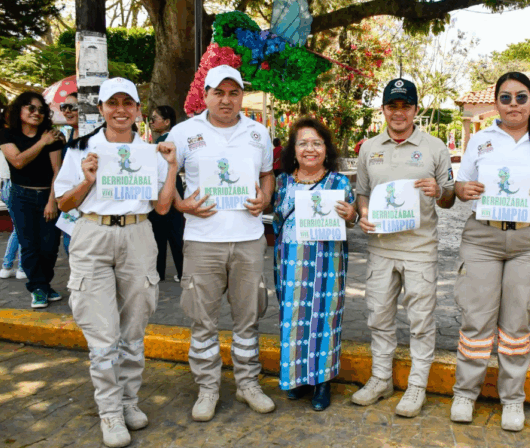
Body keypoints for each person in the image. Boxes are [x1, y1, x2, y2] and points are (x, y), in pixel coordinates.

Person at [54, 77, 179, 448]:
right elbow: (63, 203)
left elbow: (162, 207)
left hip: (138, 235)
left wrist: (172, 167)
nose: (121, 110)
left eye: (128, 103)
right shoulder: (81, 148)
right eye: (113, 103)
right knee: (103, 333)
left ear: (138, 110)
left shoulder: (150, 153)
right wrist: (87, 181)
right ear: (102, 109)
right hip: (93, 235)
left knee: (133, 328)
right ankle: (109, 411)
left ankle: (128, 401)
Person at [450, 72, 530, 431]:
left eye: (521, 97)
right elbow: (461, 184)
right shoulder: (481, 140)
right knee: (476, 320)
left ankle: (512, 399)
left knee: (516, 324)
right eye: (505, 98)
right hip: (483, 238)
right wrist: (464, 190)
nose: (513, 104)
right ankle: (465, 393)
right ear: (496, 103)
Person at [168, 65, 276, 422]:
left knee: (248, 320)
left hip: (248, 240)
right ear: (206, 95)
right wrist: (182, 205)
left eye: (234, 93)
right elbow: (164, 178)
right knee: (203, 321)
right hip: (202, 242)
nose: (226, 100)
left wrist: (265, 198)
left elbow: (267, 174)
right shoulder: (184, 132)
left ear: (242, 95)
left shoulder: (258, 132)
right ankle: (208, 388)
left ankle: (248, 383)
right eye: (219, 93)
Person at [352, 78, 456, 417]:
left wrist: (438, 191)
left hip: (419, 249)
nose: (399, 112)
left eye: (405, 106)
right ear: (383, 109)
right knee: (378, 317)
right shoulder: (369, 148)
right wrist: (363, 214)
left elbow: (450, 199)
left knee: (421, 321)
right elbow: (362, 192)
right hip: (380, 248)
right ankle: (381, 378)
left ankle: (417, 386)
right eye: (392, 106)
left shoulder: (435, 147)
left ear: (415, 109)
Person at [272, 117, 357, 411]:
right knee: (293, 317)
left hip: (327, 262)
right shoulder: (282, 182)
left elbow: (353, 220)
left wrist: (352, 216)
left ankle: (322, 382)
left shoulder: (339, 183)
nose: (310, 149)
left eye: (317, 143)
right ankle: (297, 378)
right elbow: (275, 220)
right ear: (293, 150)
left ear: (326, 149)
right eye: (303, 143)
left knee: (325, 319)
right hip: (290, 263)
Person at [0, 92, 64, 308]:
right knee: (29, 245)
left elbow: (57, 171)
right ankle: (38, 288)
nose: (37, 113)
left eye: (41, 110)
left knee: (50, 245)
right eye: (31, 108)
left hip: (47, 195)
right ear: (20, 110)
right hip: (21, 196)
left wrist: (52, 201)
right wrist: (42, 142)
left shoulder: (52, 136)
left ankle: (44, 285)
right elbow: (17, 162)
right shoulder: (7, 134)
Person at [148, 105, 185, 282]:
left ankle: (160, 272)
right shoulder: (169, 140)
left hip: (167, 189)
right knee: (174, 232)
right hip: (172, 188)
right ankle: (180, 271)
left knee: (162, 233)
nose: (151, 122)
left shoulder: (166, 142)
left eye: (154, 118)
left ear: (167, 121)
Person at [0, 111, 26, 280]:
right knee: (22, 228)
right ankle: (18, 267)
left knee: (19, 228)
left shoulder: (3, 136)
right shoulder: (7, 136)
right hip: (13, 184)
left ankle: (8, 266)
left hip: (6, 185)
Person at [58, 92, 80, 254]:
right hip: (70, 203)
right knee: (69, 247)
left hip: (88, 205)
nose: (67, 111)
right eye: (64, 107)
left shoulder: (95, 135)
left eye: (72, 107)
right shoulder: (71, 134)